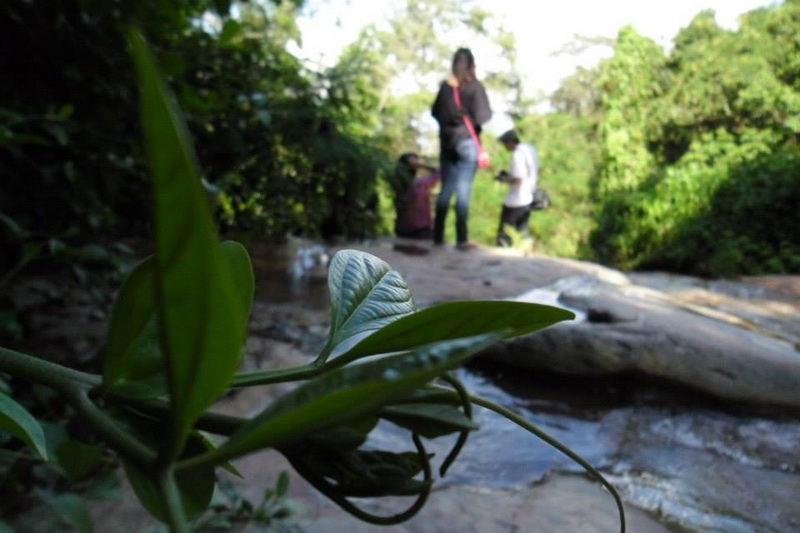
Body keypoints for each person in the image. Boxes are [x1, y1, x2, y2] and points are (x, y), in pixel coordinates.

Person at [431, 48, 492, 251]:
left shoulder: (444, 88)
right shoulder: (474, 87)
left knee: (446, 188)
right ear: (472, 65)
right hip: (466, 142)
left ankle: (437, 236)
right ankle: (461, 238)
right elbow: (483, 116)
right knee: (463, 189)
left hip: (447, 143)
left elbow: (435, 113)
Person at [494, 129, 539, 247]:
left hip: (516, 199)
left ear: (510, 142)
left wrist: (503, 179)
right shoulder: (529, 150)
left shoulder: (517, 154)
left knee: (504, 233)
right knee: (522, 231)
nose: (505, 147)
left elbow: (518, 178)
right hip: (528, 197)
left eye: (505, 143)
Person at [391, 153, 440, 239]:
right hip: (420, 230)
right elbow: (439, 172)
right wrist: (422, 165)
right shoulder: (419, 184)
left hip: (403, 230)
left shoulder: (399, 186)